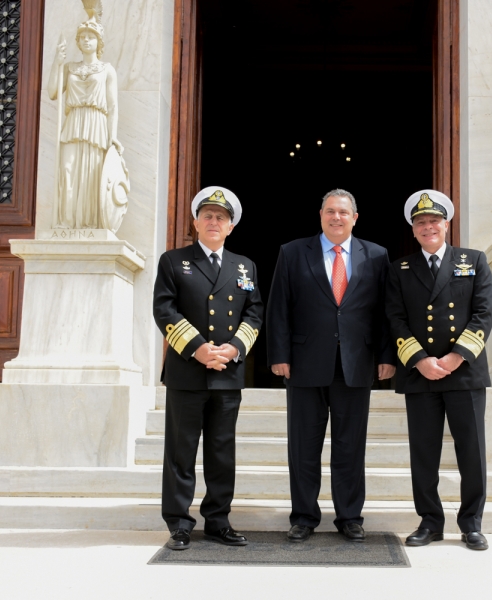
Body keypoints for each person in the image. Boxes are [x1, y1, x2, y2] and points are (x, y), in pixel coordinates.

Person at [266, 189, 396, 543]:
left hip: (356, 364)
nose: (336, 217)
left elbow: (385, 312)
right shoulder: (293, 252)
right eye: (329, 211)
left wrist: (386, 356)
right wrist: (279, 355)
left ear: (355, 217)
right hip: (304, 364)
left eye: (343, 212)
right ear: (320, 215)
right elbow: (279, 306)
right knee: (303, 446)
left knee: (350, 446)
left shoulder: (377, 255)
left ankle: (350, 516)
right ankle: (304, 516)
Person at [153, 186, 263, 550]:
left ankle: (218, 520)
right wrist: (199, 349)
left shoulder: (244, 266)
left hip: (227, 373)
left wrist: (234, 348)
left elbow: (254, 312)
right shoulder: (173, 260)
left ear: (231, 226)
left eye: (221, 217)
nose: (214, 222)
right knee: (181, 451)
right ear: (195, 221)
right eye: (208, 215)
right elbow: (164, 309)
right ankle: (180, 523)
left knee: (221, 451)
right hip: (188, 370)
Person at [385, 190, 492, 551]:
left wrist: (455, 358)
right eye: (420, 223)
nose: (427, 227)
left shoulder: (473, 260)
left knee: (472, 451)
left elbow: (483, 314)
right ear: (413, 230)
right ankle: (430, 521)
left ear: (446, 224)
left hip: (463, 372)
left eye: (433, 221)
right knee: (424, 452)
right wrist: (420, 360)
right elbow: (395, 319)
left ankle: (472, 523)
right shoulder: (400, 269)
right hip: (420, 374)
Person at [47, 6, 124, 229]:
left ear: (99, 42)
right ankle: (67, 223)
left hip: (96, 124)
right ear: (78, 43)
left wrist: (113, 137)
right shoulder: (69, 68)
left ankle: (90, 223)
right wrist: (56, 62)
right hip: (73, 123)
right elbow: (53, 92)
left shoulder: (107, 70)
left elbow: (112, 107)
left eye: (91, 37)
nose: (87, 40)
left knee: (92, 177)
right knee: (68, 172)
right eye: (82, 37)